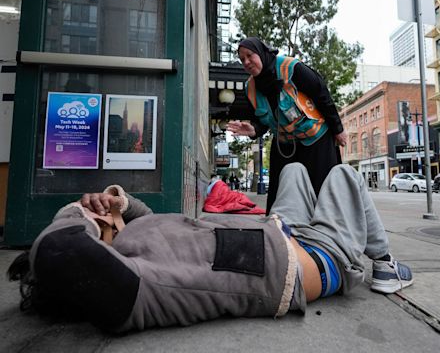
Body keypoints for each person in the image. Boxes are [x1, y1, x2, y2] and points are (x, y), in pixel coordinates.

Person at [8, 163, 412, 333]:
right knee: (344, 174)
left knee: (293, 169)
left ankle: (364, 246)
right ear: (90, 236)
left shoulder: (130, 239)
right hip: (315, 258)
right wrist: (74, 214)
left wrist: (119, 203)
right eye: (92, 215)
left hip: (282, 230)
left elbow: (149, 218)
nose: (96, 207)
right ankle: (385, 263)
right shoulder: (137, 284)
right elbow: (61, 253)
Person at [227, 37, 347, 214]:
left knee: (321, 191)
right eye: (242, 59)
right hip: (285, 143)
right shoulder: (250, 88)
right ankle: (278, 231)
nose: (246, 62)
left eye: (249, 55)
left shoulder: (291, 68)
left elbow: (322, 94)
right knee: (279, 192)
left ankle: (325, 230)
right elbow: (262, 122)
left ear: (261, 53)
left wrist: (338, 129)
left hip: (315, 138)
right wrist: (254, 130)